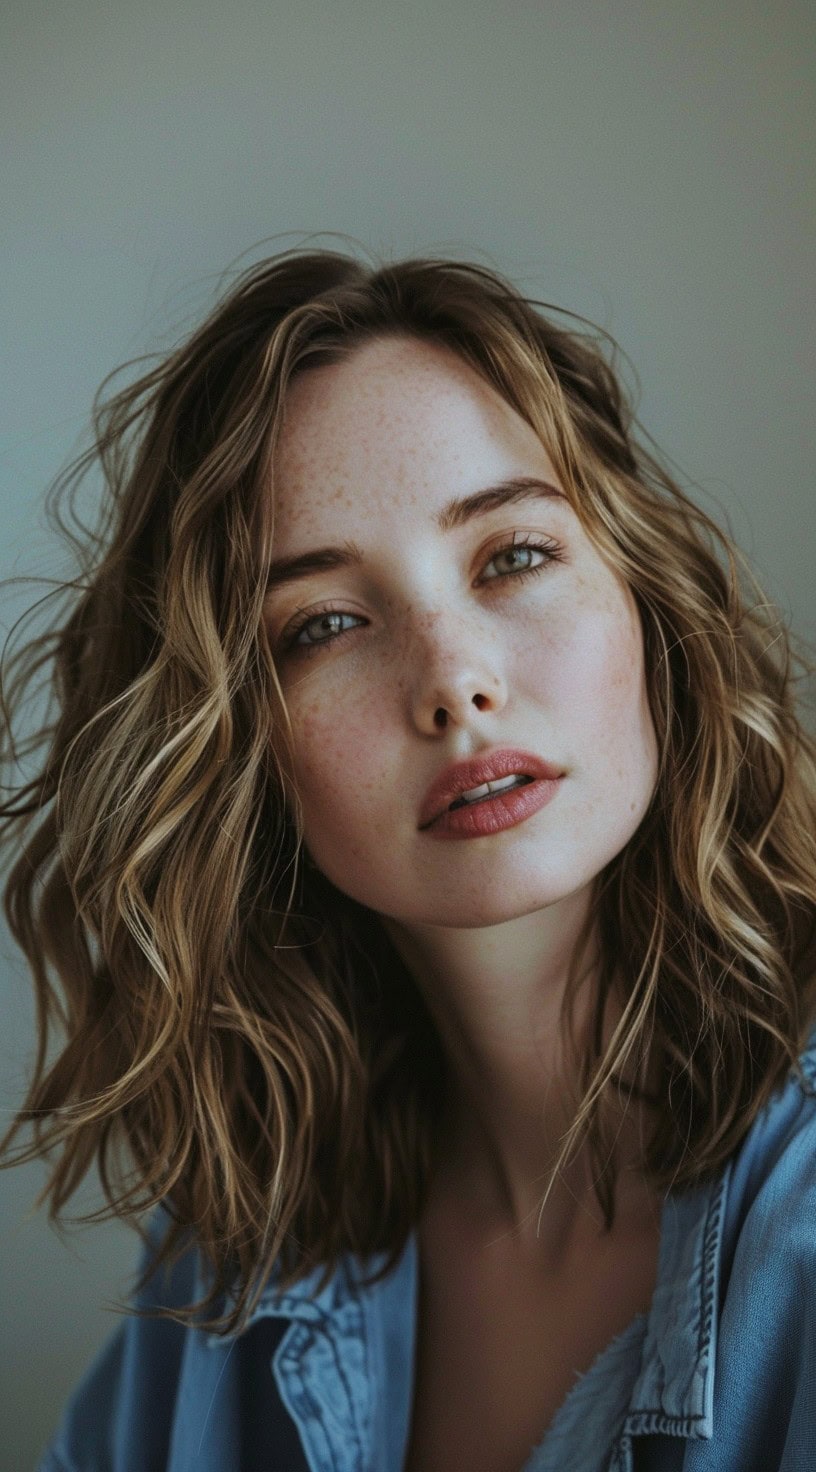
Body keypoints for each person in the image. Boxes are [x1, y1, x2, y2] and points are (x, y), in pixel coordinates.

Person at [1, 245, 815, 1472]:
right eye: (324, 624)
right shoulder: (234, 1255)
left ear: (648, 595)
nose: (454, 680)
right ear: (234, 747)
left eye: (515, 555)